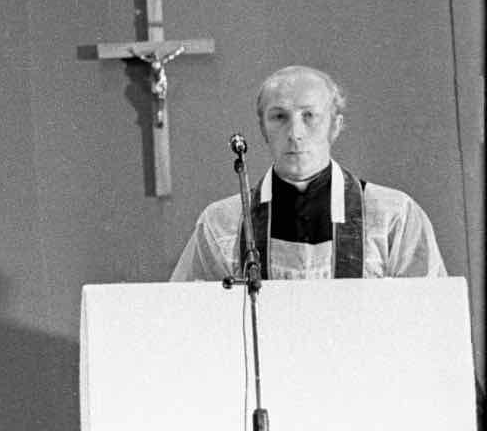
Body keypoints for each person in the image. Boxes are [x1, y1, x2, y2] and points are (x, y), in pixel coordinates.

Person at [171, 65, 446, 281]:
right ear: (263, 128)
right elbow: (188, 318)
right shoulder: (223, 223)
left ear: (335, 126)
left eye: (309, 116)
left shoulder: (393, 216)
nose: (295, 133)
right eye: (279, 117)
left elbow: (428, 315)